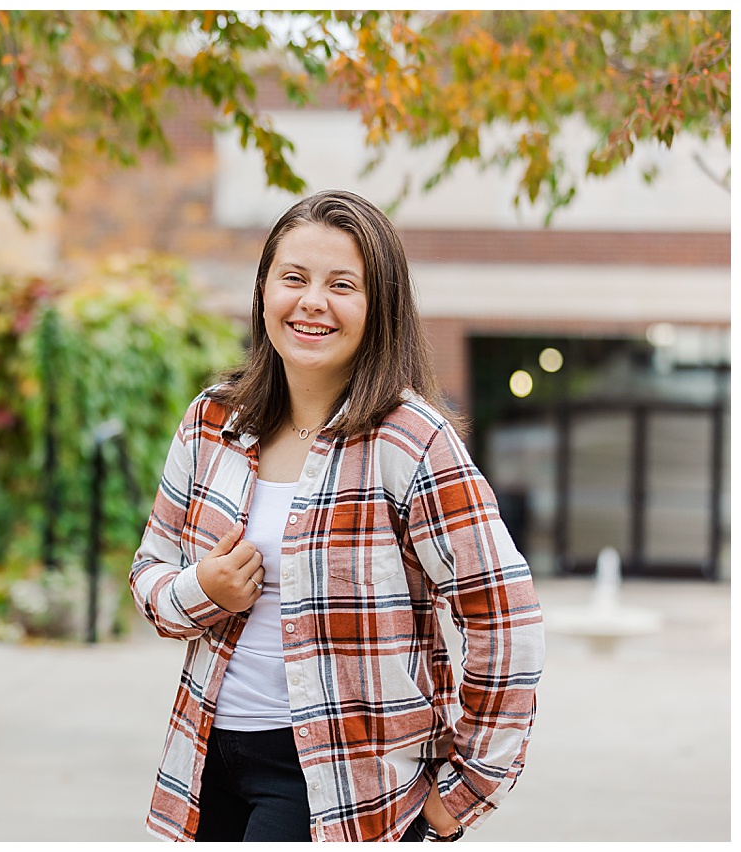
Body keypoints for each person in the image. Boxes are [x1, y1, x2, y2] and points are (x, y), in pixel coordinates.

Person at [130, 189, 545, 843]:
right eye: (293, 277)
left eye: (341, 284)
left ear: (378, 306)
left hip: (340, 785)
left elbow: (506, 619)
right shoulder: (214, 422)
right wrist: (200, 591)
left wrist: (464, 791)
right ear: (264, 289)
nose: (312, 302)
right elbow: (150, 573)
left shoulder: (411, 441)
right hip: (207, 761)